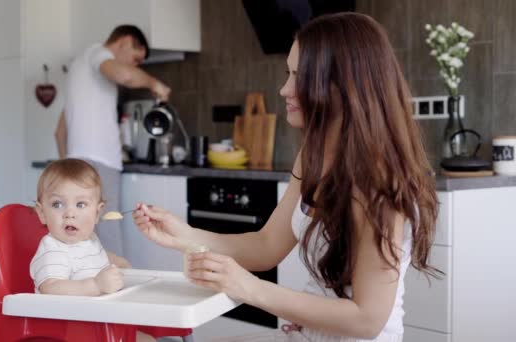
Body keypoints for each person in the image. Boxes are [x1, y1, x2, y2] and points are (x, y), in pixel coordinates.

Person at [133, 13, 439, 342]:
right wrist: (186, 235)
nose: (284, 89)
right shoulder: (313, 157)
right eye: (288, 73)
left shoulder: (378, 181)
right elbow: (266, 246)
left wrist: (249, 288)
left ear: (342, 84)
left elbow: (367, 320)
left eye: (300, 75)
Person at [55, 25, 171, 256]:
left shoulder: (79, 66)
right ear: (125, 41)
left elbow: (59, 131)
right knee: (109, 246)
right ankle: (117, 291)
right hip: (99, 165)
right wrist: (154, 84)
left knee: (78, 243)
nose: (135, 65)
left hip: (76, 165)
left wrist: (67, 169)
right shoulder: (98, 53)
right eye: (136, 58)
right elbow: (124, 75)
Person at [30, 158, 155, 342]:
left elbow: (90, 259)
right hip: (67, 332)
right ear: (41, 213)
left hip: (98, 324)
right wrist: (95, 285)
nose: (70, 213)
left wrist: (115, 261)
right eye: (58, 204)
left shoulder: (89, 240)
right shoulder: (53, 250)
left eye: (80, 204)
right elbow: (51, 288)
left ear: (97, 213)